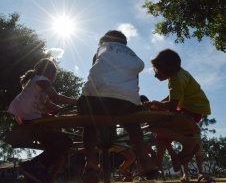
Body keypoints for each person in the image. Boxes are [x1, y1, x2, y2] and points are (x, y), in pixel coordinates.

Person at [77, 30, 160, 183]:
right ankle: (145, 160)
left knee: (91, 123)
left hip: (96, 98)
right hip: (125, 100)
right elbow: (135, 83)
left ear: (104, 41)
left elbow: (94, 73)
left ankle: (91, 162)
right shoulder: (132, 55)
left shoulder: (102, 50)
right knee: (131, 122)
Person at [8, 58, 77, 183]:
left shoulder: (36, 84)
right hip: (31, 119)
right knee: (65, 141)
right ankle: (32, 165)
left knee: (57, 144)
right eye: (55, 74)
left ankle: (37, 173)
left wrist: (70, 112)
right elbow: (56, 98)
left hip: (27, 118)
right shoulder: (42, 79)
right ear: (51, 72)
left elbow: (51, 105)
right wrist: (76, 101)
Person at [145, 49, 211, 178]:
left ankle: (188, 143)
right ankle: (165, 163)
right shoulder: (178, 75)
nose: (155, 75)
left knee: (153, 125)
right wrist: (157, 106)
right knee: (161, 130)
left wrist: (155, 103)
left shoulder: (177, 80)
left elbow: (172, 105)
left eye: (156, 71)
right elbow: (173, 97)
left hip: (191, 111)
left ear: (166, 69)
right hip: (193, 109)